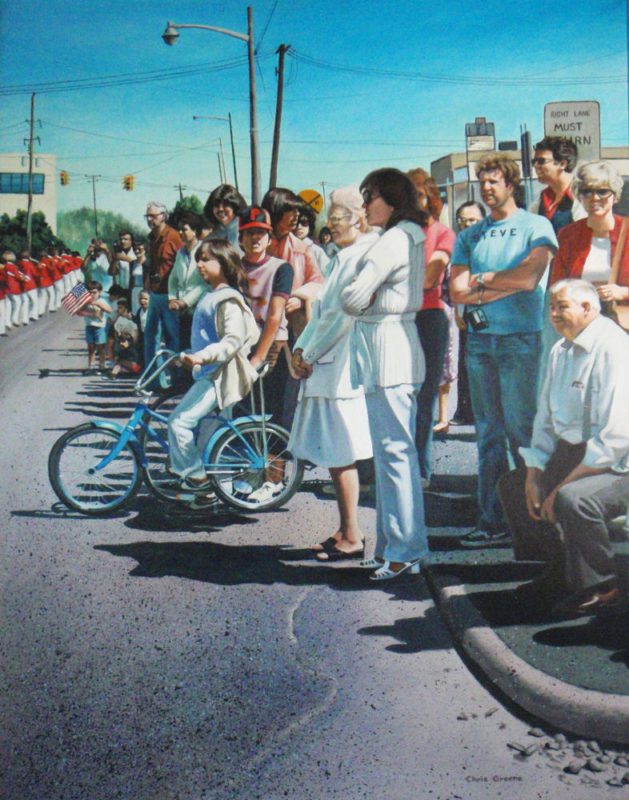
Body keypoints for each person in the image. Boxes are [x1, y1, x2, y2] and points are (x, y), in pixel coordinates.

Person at [499, 279, 629, 618]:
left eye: (562, 307)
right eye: (552, 307)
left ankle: (602, 588)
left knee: (574, 499)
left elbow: (616, 439)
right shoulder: (560, 350)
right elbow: (545, 419)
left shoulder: (615, 346)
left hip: (619, 461)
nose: (554, 314)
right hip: (580, 453)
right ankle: (562, 572)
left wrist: (560, 487)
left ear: (587, 308)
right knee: (514, 486)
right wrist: (534, 473)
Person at [450, 154, 558, 548]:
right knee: (488, 436)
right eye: (483, 183)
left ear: (512, 184)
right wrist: (497, 286)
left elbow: (530, 278)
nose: (488, 189)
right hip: (480, 343)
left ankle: (537, 521)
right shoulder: (470, 234)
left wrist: (485, 283)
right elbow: (455, 291)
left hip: (520, 341)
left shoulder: (536, 226)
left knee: (521, 433)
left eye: (494, 181)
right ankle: (491, 520)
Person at [341, 167, 428, 580]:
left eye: (370, 196)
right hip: (393, 347)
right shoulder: (408, 235)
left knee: (394, 456)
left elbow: (353, 296)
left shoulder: (394, 238)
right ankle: (392, 547)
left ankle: (404, 550)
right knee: (395, 455)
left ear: (391, 199)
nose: (364, 205)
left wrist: (356, 292)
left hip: (389, 349)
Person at [290, 185, 378, 561]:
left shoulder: (359, 258)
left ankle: (354, 535)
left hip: (343, 368)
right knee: (335, 453)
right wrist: (300, 347)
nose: (330, 224)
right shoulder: (341, 257)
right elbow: (323, 312)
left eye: (336, 217)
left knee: (342, 452)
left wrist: (307, 350)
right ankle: (345, 528)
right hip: (328, 364)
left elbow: (341, 317)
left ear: (358, 217)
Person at [167, 239, 259, 510]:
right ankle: (207, 493)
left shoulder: (228, 299)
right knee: (210, 435)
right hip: (209, 372)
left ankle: (196, 478)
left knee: (179, 423)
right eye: (198, 259)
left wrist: (201, 356)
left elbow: (232, 341)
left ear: (225, 263)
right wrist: (189, 356)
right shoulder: (211, 295)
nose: (200, 264)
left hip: (219, 376)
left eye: (206, 259)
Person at [407, 168, 456, 485]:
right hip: (396, 319)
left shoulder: (442, 233)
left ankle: (421, 469)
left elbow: (431, 278)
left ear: (430, 198)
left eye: (419, 196)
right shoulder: (395, 234)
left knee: (424, 399)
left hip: (429, 318)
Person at [261, 187, 324, 428]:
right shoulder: (258, 243)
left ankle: (283, 439)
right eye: (291, 211)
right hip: (262, 327)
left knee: (289, 386)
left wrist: (300, 295)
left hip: (292, 329)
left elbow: (318, 282)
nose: (296, 216)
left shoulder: (301, 247)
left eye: (298, 211)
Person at [238, 206, 293, 421]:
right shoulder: (234, 268)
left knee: (271, 406)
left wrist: (259, 355)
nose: (255, 238)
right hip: (241, 341)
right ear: (240, 237)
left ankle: (273, 453)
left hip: (271, 342)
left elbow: (275, 315)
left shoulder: (282, 268)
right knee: (243, 406)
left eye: (261, 233)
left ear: (269, 238)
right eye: (249, 232)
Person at [549, 160, 628, 308]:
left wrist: (623, 293)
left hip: (623, 325)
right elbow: (557, 286)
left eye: (603, 191)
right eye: (587, 192)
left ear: (615, 196)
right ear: (579, 197)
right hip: (582, 324)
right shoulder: (568, 235)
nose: (595, 198)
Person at [143, 201, 183, 376]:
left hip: (170, 295)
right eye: (148, 216)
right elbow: (152, 264)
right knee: (150, 336)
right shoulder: (151, 237)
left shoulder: (174, 236)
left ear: (164, 216)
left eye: (153, 216)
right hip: (155, 293)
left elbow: (183, 264)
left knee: (172, 338)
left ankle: (175, 377)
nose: (150, 219)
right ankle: (153, 376)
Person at [168, 211, 207, 349]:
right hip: (182, 312)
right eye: (179, 229)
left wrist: (185, 301)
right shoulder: (180, 252)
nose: (180, 232)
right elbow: (173, 278)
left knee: (199, 348)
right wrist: (172, 298)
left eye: (184, 229)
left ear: (195, 231)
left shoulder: (205, 250)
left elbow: (205, 284)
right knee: (184, 348)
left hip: (200, 309)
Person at [530, 136, 585, 234]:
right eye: (534, 162)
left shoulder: (582, 196)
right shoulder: (541, 199)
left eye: (541, 161)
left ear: (562, 164)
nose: (535, 166)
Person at [77, 281, 112, 374]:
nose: (92, 295)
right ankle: (91, 367)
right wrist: (90, 313)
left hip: (100, 327)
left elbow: (109, 310)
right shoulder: (86, 302)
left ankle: (102, 366)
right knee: (91, 348)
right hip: (89, 326)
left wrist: (98, 304)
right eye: (90, 292)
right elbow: (79, 312)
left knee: (101, 347)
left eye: (94, 292)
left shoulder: (102, 301)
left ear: (99, 292)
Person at [294, 202, 329, 274]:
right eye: (296, 223)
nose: (299, 227)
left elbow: (328, 274)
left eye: (304, 223)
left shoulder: (317, 251)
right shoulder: (285, 248)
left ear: (310, 225)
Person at [110, 298, 141, 377]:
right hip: (122, 349)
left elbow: (135, 338)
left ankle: (138, 370)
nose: (118, 310)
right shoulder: (117, 320)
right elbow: (114, 336)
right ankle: (115, 373)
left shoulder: (133, 320)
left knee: (121, 363)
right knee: (118, 363)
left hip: (132, 350)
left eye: (120, 308)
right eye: (118, 308)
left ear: (126, 308)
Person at [109, 231, 136, 299]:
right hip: (120, 291)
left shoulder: (136, 253)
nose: (122, 241)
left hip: (133, 290)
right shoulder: (118, 253)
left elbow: (141, 265)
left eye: (125, 239)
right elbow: (112, 272)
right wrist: (114, 260)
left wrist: (126, 258)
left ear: (131, 241)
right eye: (121, 239)